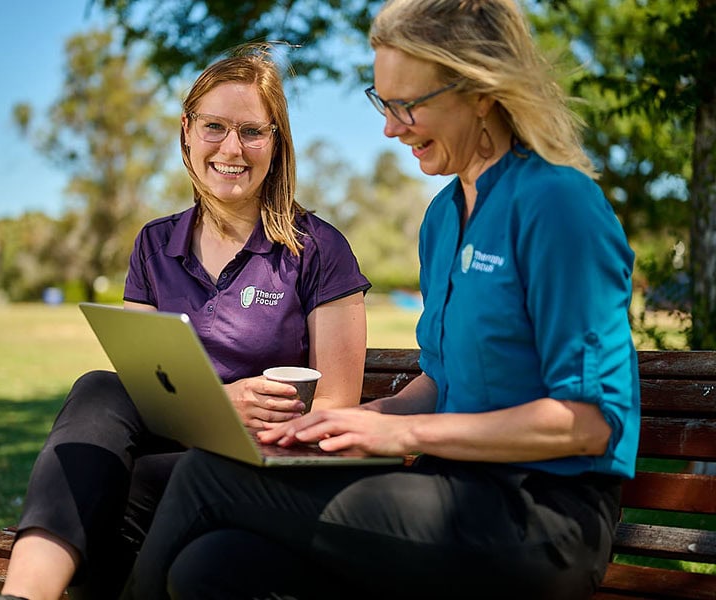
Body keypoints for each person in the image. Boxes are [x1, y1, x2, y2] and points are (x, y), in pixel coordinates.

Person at [121, 1, 641, 599]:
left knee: (209, 474)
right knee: (212, 566)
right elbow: (439, 381)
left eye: (407, 105)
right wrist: (357, 420)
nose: (391, 128)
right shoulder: (445, 218)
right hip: (448, 494)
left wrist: (409, 438)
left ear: (481, 92)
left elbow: (589, 424)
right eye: (383, 102)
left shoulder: (558, 206)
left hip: (543, 518)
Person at [0, 45, 371, 600]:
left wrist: (237, 414)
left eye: (253, 131)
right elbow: (141, 380)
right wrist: (218, 403)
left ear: (276, 142)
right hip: (164, 449)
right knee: (101, 388)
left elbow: (339, 406)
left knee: (114, 486)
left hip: (252, 469)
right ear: (188, 131)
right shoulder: (154, 243)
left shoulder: (317, 248)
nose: (232, 148)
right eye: (215, 126)